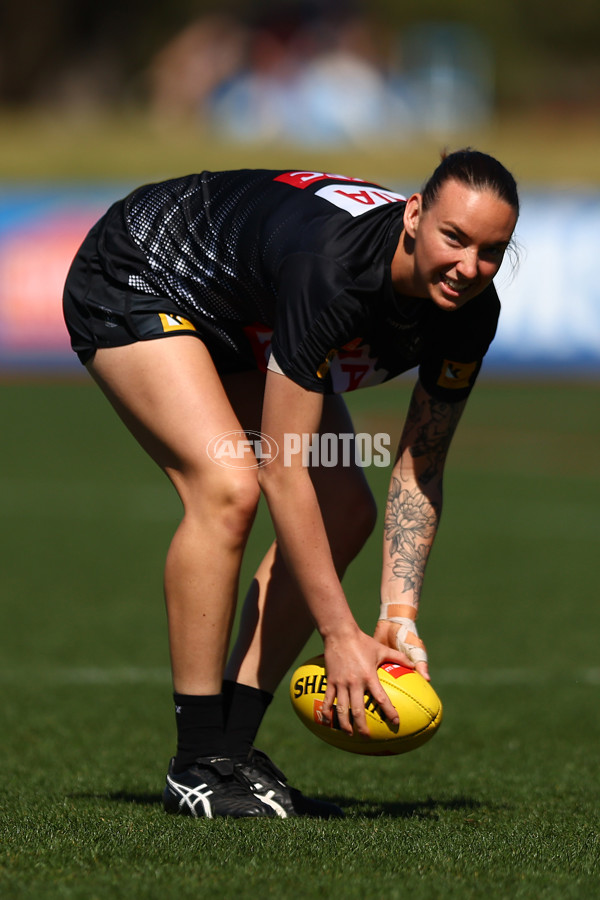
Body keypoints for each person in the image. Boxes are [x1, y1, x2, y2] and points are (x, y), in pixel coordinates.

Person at [63, 149, 519, 819]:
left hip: (243, 312)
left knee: (346, 510)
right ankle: (194, 762)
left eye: (491, 251)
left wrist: (399, 613)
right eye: (455, 237)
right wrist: (338, 634)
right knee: (229, 486)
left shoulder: (469, 312)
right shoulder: (335, 272)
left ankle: (231, 752)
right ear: (416, 216)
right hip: (144, 267)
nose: (469, 266)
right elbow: (283, 466)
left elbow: (421, 465)